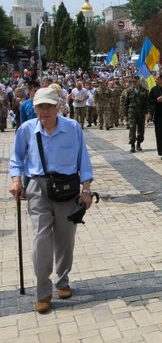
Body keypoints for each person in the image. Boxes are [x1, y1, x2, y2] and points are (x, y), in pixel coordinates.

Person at [8, 87, 94, 314]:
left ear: (58, 106)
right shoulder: (26, 130)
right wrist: (16, 179)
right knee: (40, 240)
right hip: (37, 188)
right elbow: (16, 159)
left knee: (65, 240)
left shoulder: (72, 128)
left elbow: (83, 160)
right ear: (34, 108)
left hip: (67, 189)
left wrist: (86, 189)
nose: (44, 111)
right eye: (39, 107)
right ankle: (43, 290)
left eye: (48, 106)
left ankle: (62, 281)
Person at [121, 76, 149, 153]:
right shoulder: (129, 91)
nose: (133, 83)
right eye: (132, 82)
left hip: (141, 113)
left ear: (139, 82)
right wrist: (125, 115)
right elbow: (126, 104)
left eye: (135, 82)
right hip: (132, 113)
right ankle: (132, 145)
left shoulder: (145, 91)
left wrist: (148, 114)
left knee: (141, 129)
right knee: (132, 128)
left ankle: (139, 144)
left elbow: (147, 104)